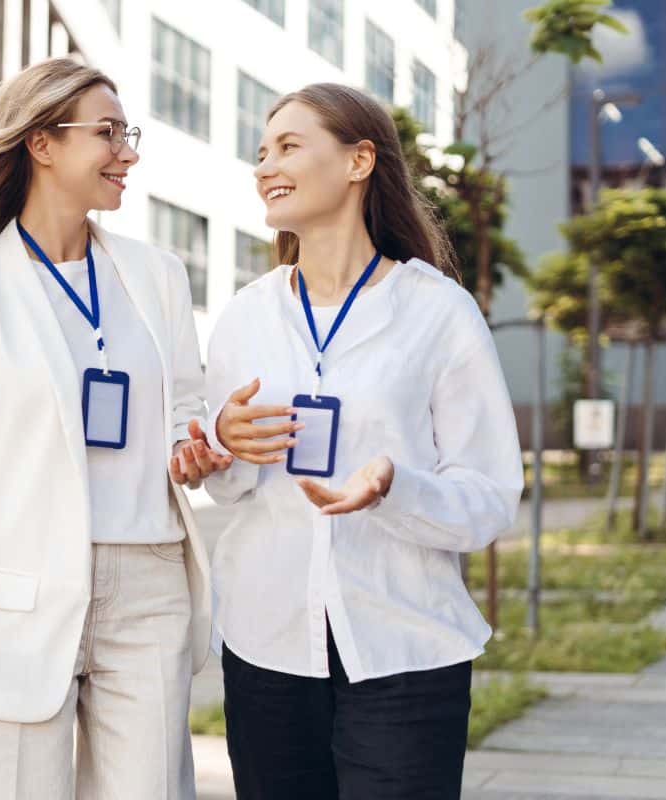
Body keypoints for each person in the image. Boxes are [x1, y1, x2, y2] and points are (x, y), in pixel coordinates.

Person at [0, 57, 230, 800]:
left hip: (148, 581)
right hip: (15, 593)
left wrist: (194, 449)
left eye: (128, 134)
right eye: (107, 133)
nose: (126, 153)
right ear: (42, 143)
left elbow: (183, 414)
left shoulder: (158, 275)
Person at [203, 83, 524, 799]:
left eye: (288, 146)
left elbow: (490, 496)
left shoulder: (439, 311)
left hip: (405, 650)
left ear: (359, 161)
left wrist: (393, 487)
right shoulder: (245, 317)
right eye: (262, 151)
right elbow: (228, 483)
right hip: (267, 649)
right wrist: (223, 442)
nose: (264, 166)